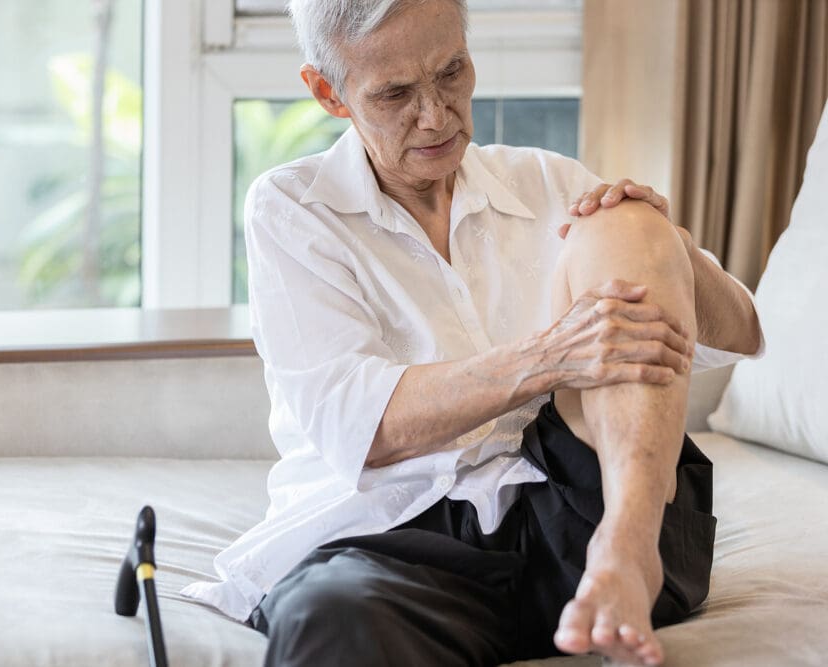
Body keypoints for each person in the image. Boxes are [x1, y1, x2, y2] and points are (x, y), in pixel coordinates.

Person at [181, 1, 764, 665]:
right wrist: (548, 356)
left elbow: (740, 330)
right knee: (329, 617)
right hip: (397, 545)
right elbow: (363, 424)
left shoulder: (548, 180)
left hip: (583, 517)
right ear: (327, 92)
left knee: (626, 221)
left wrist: (661, 247)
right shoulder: (293, 208)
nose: (436, 114)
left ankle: (629, 553)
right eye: (396, 93)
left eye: (452, 72)